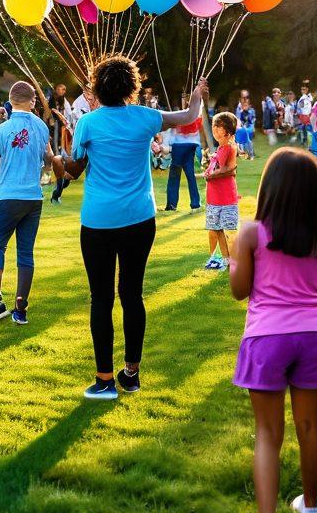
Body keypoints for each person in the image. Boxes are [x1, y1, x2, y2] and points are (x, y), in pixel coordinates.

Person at [53, 56, 207, 400]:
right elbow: (188, 117)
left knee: (101, 298)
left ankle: (105, 380)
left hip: (98, 221)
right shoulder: (145, 117)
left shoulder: (88, 123)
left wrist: (58, 158)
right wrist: (197, 94)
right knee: (132, 295)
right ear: (131, 86)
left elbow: (72, 169)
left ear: (97, 87)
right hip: (139, 219)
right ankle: (132, 374)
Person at [231, 149, 317, 513]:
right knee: (310, 427)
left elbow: (240, 291)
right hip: (313, 335)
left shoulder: (252, 233)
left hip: (266, 337)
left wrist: (236, 265)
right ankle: (310, 506)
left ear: (269, 189)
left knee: (268, 434)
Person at [0, 81, 57, 330]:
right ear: (32, 101)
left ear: (10, 102)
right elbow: (50, 161)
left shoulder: (2, 130)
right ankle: (20, 310)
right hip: (33, 197)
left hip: (7, 196)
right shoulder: (42, 127)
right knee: (25, 253)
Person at [204, 112, 240, 271]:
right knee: (217, 229)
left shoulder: (228, 147)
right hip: (214, 197)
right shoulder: (222, 148)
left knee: (227, 230)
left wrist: (211, 174)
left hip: (224, 197)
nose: (215, 129)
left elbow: (228, 168)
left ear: (228, 131)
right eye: (214, 126)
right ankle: (225, 259)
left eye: (219, 126)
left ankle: (233, 260)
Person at [164, 108, 202, 212]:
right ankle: (196, 204)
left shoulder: (180, 118)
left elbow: (172, 132)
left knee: (174, 176)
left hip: (179, 146)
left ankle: (171, 205)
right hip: (192, 145)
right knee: (190, 175)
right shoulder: (194, 116)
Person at [235, 91, 256, 159]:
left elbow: (251, 120)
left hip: (248, 127)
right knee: (241, 140)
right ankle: (244, 154)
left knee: (247, 139)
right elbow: (238, 119)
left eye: (247, 97)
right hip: (241, 127)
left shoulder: (251, 110)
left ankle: (251, 154)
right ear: (240, 98)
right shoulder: (239, 109)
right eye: (243, 97)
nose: (245, 99)